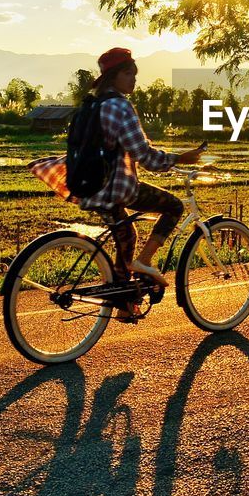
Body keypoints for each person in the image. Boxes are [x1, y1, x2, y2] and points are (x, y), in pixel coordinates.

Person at [29, 47, 204, 317]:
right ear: (113, 76)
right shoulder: (120, 106)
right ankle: (145, 262)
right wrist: (181, 158)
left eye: (135, 74)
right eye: (128, 73)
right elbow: (144, 156)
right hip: (115, 188)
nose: (133, 79)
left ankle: (124, 304)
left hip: (89, 186)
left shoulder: (92, 104)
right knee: (173, 206)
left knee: (126, 236)